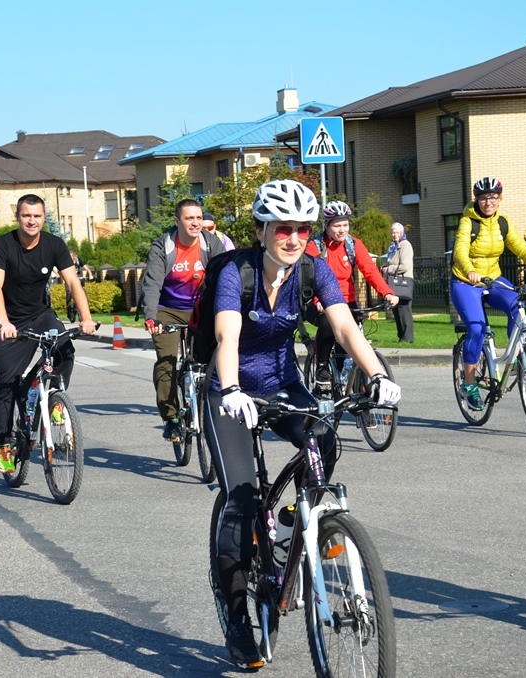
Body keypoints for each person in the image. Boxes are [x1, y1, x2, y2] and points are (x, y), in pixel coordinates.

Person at [204, 179, 401, 668]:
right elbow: (227, 337)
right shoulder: (236, 271)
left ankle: (296, 525)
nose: (292, 238)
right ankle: (236, 616)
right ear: (261, 230)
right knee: (242, 500)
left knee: (325, 439)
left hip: (282, 379)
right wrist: (230, 391)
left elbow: (343, 325)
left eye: (301, 229)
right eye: (282, 228)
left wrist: (375, 375)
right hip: (228, 389)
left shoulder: (311, 270)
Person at [0, 194, 97, 475]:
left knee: (65, 350)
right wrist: (3, 322)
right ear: (18, 217)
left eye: (37, 216)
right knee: (8, 382)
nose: (32, 221)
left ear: (43, 217)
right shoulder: (3, 245)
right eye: (26, 215)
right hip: (9, 320)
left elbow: (72, 281)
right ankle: (3, 444)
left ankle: (54, 397)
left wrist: (86, 318)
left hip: (39, 315)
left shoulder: (53, 244)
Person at [450, 177, 526, 411]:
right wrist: (469, 271)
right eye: (483, 198)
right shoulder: (468, 222)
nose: (488, 202)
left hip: (493, 278)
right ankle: (469, 385)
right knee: (477, 328)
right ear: (476, 200)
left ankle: (518, 354)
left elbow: (520, 247)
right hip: (466, 281)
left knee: (516, 306)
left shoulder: (503, 223)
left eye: (493, 197)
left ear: (499, 200)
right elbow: (460, 250)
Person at [140, 199, 226, 441]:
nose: (196, 223)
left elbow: (227, 273)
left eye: (199, 218)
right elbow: (152, 283)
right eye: (189, 218)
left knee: (212, 360)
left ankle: (211, 406)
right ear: (177, 221)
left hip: (200, 308)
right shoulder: (163, 246)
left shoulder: (211, 243)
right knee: (166, 362)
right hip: (167, 309)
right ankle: (172, 418)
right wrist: (151, 317)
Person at [305, 200, 400, 391]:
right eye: (337, 225)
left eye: (345, 224)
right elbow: (309, 278)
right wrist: (317, 300)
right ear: (326, 225)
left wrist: (387, 293)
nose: (342, 229)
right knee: (327, 324)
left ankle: (350, 388)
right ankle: (322, 367)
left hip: (347, 301)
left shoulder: (353, 245)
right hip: (318, 301)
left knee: (351, 344)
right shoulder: (314, 247)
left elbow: (370, 271)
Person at [385, 221, 415, 343]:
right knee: (396, 310)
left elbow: (405, 266)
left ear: (402, 233)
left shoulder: (405, 245)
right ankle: (401, 336)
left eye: (397, 232)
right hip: (395, 282)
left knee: (404, 309)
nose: (394, 234)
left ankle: (407, 337)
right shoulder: (393, 247)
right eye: (392, 232)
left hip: (403, 282)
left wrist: (389, 269)